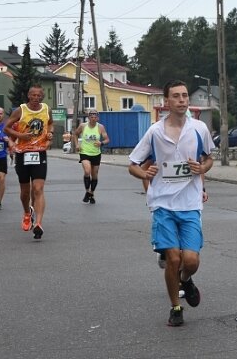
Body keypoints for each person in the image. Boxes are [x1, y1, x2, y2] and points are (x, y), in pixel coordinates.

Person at [128, 79, 213, 327]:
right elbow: (133, 164)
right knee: (173, 259)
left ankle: (185, 280)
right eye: (176, 96)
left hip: (190, 203)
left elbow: (209, 158)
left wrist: (202, 168)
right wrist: (144, 174)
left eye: (185, 95)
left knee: (191, 261)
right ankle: (176, 307)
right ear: (167, 101)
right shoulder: (155, 132)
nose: (182, 100)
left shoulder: (199, 129)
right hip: (163, 204)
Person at [4, 84, 54, 240]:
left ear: (42, 97)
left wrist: (50, 134)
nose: (36, 98)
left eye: (39, 95)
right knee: (25, 192)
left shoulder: (46, 109)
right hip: (22, 153)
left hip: (40, 152)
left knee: (38, 189)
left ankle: (38, 223)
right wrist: (20, 135)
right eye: (33, 95)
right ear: (29, 96)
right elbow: (6, 128)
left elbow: (50, 123)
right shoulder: (21, 110)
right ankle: (27, 212)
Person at [73, 108, 110, 204]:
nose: (93, 118)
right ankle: (87, 191)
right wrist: (77, 145)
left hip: (96, 153)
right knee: (87, 171)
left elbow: (107, 139)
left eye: (95, 117)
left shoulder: (100, 127)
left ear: (98, 118)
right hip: (85, 152)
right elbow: (75, 134)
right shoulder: (83, 126)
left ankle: (91, 193)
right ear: (88, 118)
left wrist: (101, 143)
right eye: (91, 117)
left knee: (94, 175)